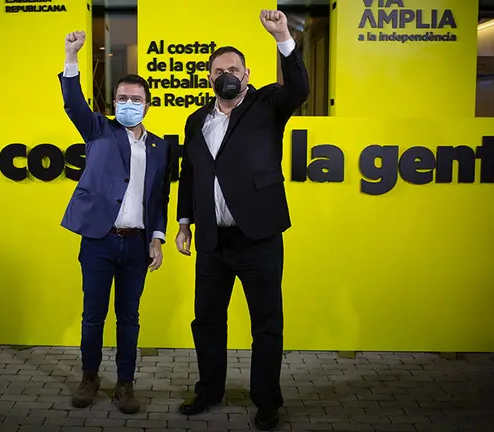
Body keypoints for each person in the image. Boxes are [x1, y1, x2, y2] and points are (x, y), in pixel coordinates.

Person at [174, 10, 310, 431]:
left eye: (233, 68)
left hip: (259, 238)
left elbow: (300, 88)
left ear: (247, 74)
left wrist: (283, 36)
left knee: (266, 324)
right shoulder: (196, 120)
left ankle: (267, 401)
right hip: (213, 242)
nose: (226, 75)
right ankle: (209, 390)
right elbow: (190, 174)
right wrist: (183, 223)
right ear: (209, 78)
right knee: (207, 321)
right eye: (218, 70)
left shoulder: (268, 104)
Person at [58, 30, 172, 414]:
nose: (128, 104)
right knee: (93, 316)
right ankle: (89, 378)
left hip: (137, 246)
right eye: (122, 98)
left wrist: (157, 237)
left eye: (135, 100)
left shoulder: (159, 147)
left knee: (129, 319)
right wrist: (71, 57)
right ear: (114, 102)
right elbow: (73, 104)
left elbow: (159, 198)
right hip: (99, 240)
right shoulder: (99, 129)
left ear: (148, 105)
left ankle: (125, 384)